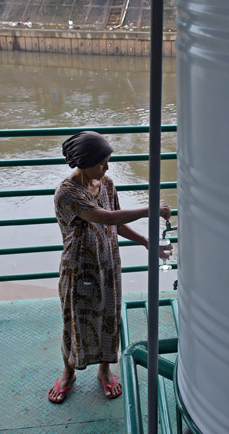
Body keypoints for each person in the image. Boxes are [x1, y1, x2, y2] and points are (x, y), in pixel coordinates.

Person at [48, 131, 172, 403]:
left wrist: (143, 240)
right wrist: (149, 208)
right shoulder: (67, 194)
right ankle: (69, 371)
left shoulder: (105, 183)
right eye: (102, 161)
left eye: (108, 160)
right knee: (75, 321)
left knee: (109, 317)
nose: (107, 166)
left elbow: (113, 223)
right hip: (79, 268)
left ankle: (104, 370)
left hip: (108, 262)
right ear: (84, 162)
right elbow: (104, 216)